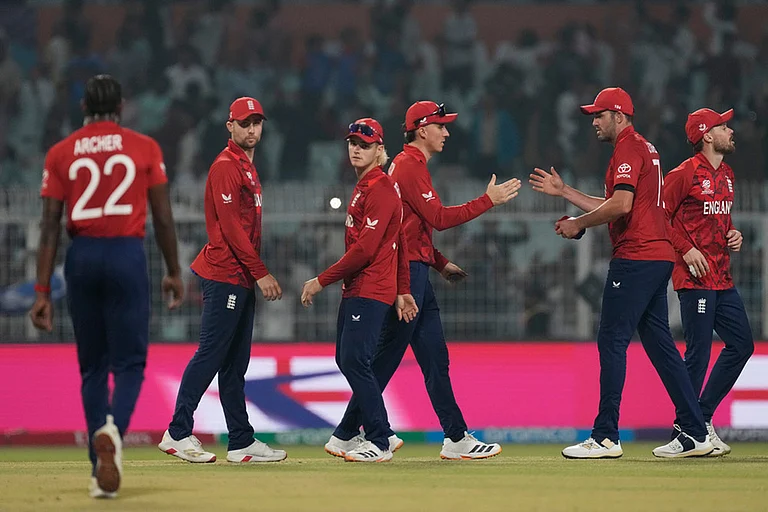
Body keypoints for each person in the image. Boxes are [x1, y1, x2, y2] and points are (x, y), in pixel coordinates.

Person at [324, 101, 521, 460]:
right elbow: (438, 219)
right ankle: (362, 434)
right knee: (386, 359)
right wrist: (487, 201)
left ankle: (456, 436)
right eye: (441, 126)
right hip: (406, 275)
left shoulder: (409, 166)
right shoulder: (409, 167)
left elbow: (414, 229)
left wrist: (439, 262)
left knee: (434, 359)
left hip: (417, 269)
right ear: (422, 129)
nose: (446, 133)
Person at [529, 87, 714, 459]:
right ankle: (696, 431)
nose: (594, 122)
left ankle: (606, 436)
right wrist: (566, 191)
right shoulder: (644, 148)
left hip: (636, 256)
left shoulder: (628, 149)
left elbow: (622, 205)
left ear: (619, 116)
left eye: (599, 115)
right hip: (657, 255)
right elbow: (622, 203)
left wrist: (578, 223)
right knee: (661, 346)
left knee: (612, 339)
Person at [29, 74, 184, 498]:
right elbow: (164, 218)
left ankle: (99, 467)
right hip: (126, 255)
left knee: (92, 366)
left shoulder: (60, 153)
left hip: (81, 257)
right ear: (121, 107)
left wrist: (42, 292)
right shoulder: (144, 147)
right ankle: (113, 435)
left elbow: (48, 228)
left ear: (83, 108)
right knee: (130, 364)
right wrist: (173, 270)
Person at [158, 97, 286, 464]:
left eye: (257, 123)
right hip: (227, 274)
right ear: (230, 126)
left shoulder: (245, 166)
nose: (252, 129)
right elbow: (230, 228)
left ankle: (241, 440)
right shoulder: (226, 167)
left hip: (239, 276)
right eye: (244, 123)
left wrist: (253, 273)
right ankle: (178, 432)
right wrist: (260, 272)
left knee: (233, 364)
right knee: (211, 353)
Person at [301, 118, 418, 462]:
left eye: (365, 144)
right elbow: (396, 242)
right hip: (362, 287)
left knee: (354, 360)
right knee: (347, 358)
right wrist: (402, 288)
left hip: (370, 288)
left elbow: (366, 250)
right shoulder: (366, 186)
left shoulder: (380, 188)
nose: (356, 148)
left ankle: (381, 438)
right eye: (353, 142)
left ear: (380, 150)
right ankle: (349, 434)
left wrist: (320, 280)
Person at [663, 107, 754, 456]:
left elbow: (720, 220)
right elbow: (659, 216)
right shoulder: (684, 174)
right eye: (723, 126)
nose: (730, 131)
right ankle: (686, 428)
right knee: (698, 354)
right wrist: (685, 250)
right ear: (706, 135)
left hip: (722, 275)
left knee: (742, 344)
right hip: (695, 276)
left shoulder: (728, 174)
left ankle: (698, 420)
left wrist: (733, 233)